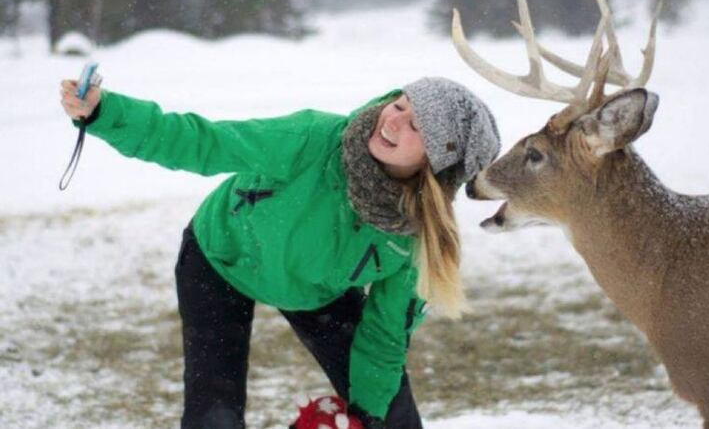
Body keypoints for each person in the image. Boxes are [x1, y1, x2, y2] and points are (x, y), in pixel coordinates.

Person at [58, 76, 500, 429]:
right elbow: (203, 142)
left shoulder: (416, 236)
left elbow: (384, 338)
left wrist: (363, 418)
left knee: (389, 413)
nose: (393, 122)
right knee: (214, 414)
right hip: (221, 257)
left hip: (315, 291)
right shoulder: (313, 138)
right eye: (399, 105)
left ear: (439, 160)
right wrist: (105, 113)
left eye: (417, 127)